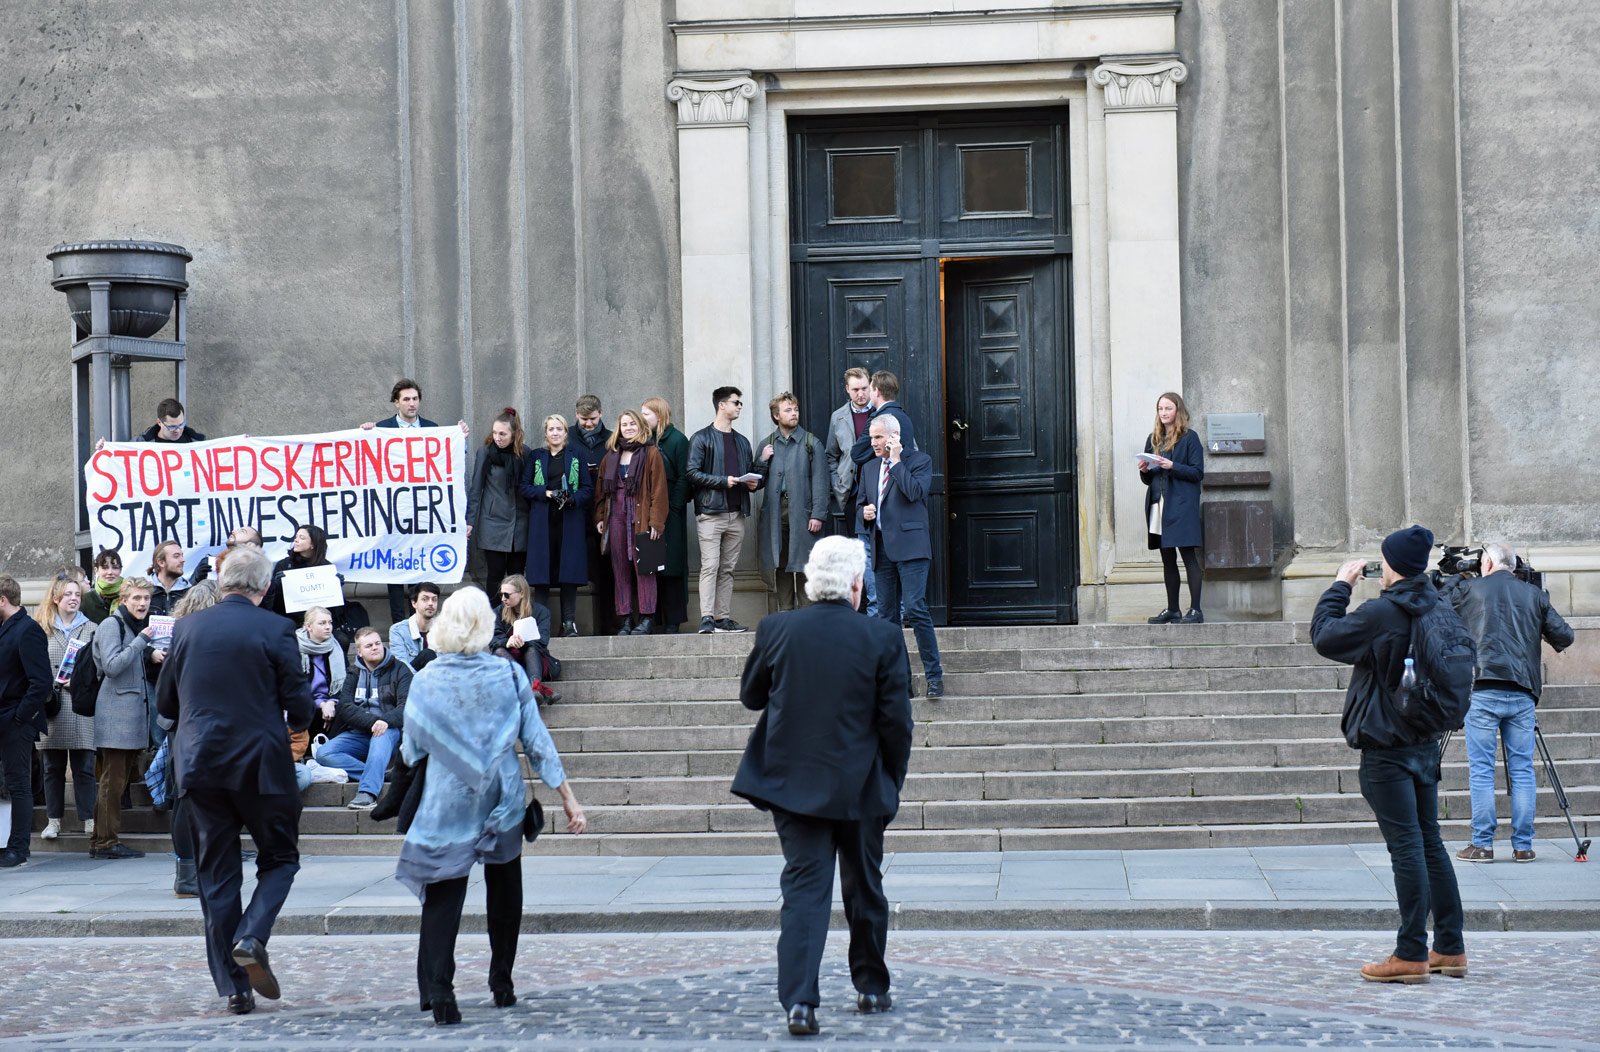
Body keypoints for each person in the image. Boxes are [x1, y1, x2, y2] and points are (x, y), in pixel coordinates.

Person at [732, 537, 913, 1036]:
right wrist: (890, 783)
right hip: (860, 785)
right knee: (865, 889)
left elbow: (751, 696)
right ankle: (872, 987)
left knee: (805, 892)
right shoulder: (882, 638)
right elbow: (897, 723)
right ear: (857, 585)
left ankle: (800, 1003)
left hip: (794, 785)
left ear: (812, 581)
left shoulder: (777, 628)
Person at [396, 587, 588, 1025]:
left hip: (447, 799)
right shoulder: (508, 675)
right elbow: (537, 742)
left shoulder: (426, 679)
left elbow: (410, 749)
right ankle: (502, 981)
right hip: (501, 796)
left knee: (444, 893)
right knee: (505, 888)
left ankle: (440, 991)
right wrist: (568, 798)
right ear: (485, 625)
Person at [154, 546, 314, 1015]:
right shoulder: (277, 628)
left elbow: (166, 704)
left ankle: (234, 987)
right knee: (281, 857)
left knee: (217, 876)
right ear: (264, 589)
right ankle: (252, 934)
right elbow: (300, 705)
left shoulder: (186, 628)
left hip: (200, 764)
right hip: (262, 765)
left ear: (223, 583)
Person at [1310, 524, 1466, 983]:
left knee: (1406, 847)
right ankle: (1451, 948)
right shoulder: (1440, 604)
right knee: (1430, 842)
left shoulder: (1383, 612)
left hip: (1386, 743)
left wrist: (1340, 584)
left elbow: (1325, 636)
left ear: (1391, 565)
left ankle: (1411, 953)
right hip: (1424, 740)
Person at [1445, 542, 1574, 864]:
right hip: (1522, 692)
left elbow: (1437, 606)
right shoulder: (1533, 595)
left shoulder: (1468, 589)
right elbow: (1565, 636)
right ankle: (1523, 846)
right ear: (1514, 567)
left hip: (1482, 689)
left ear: (1486, 563)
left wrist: (1455, 575)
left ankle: (1482, 845)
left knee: (1482, 771)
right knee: (1522, 770)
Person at [361, 379, 467, 622]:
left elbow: (447, 463)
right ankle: (400, 625)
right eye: (406, 399)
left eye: (415, 398)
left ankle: (421, 623)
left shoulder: (433, 428)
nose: (411, 403)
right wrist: (364, 434)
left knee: (421, 566)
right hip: (392, 510)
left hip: (423, 511)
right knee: (395, 569)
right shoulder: (382, 428)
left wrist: (459, 439)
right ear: (396, 402)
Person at [858, 415, 944, 699]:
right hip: (881, 549)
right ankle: (901, 682)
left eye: (879, 437)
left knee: (916, 609)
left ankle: (934, 677)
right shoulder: (868, 468)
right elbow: (861, 505)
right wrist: (865, 513)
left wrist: (896, 461)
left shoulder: (919, 461)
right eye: (872, 438)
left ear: (894, 436)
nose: (874, 443)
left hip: (911, 547)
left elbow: (915, 492)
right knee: (887, 619)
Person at [90, 575, 160, 860]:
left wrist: (150, 653)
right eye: (137, 598)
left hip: (128, 717)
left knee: (116, 781)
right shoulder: (112, 624)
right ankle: (106, 842)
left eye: (146, 599)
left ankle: (101, 840)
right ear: (123, 599)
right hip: (115, 716)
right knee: (112, 782)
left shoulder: (131, 626)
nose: (143, 604)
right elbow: (112, 666)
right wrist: (143, 642)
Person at [163, 580, 222, 897]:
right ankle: (190, 874)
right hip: (206, 728)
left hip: (184, 728)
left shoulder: (179, 638)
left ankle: (190, 871)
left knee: (186, 802)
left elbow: (165, 696)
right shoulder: (215, 641)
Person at [688, 386, 761, 634]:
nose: (740, 406)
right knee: (710, 566)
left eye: (740, 403)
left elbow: (748, 472)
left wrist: (752, 484)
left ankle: (722, 618)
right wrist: (723, 481)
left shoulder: (742, 441)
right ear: (722, 405)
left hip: (736, 513)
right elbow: (692, 473)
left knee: (728, 569)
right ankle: (707, 618)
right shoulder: (701, 438)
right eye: (736, 402)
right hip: (710, 513)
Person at [33, 577, 98, 846]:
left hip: (81, 705)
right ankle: (54, 820)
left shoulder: (92, 628)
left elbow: (98, 667)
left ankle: (89, 819)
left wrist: (79, 682)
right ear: (56, 599)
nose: (73, 598)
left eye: (77, 594)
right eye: (67, 594)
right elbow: (34, 666)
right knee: (52, 767)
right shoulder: (42, 629)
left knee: (84, 766)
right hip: (53, 705)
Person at [593, 409, 669, 635]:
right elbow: (600, 492)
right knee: (620, 569)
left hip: (642, 518)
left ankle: (646, 618)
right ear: (619, 428)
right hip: (615, 517)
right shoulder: (611, 456)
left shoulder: (651, 453)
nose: (628, 428)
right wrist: (599, 517)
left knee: (645, 569)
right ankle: (625, 619)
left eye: (632, 424)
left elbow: (659, 491)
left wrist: (656, 522)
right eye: (624, 424)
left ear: (641, 427)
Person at [322, 627, 412, 810]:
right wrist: (372, 722)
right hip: (362, 731)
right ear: (359, 651)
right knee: (324, 753)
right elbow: (345, 707)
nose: (375, 647)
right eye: (369, 645)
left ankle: (368, 793)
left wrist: (384, 721)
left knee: (381, 735)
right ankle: (378, 773)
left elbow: (407, 706)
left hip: (391, 731)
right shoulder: (353, 673)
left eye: (378, 643)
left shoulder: (400, 669)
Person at [754, 392, 829, 612]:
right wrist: (761, 461)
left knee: (805, 564)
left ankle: (807, 616)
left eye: (795, 409)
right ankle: (786, 614)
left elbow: (822, 482)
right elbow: (756, 483)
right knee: (781, 563)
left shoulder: (811, 442)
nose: (794, 413)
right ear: (776, 416)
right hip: (776, 514)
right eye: (788, 410)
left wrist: (818, 514)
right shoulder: (766, 444)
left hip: (803, 513)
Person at [520, 414, 592, 637]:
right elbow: (524, 486)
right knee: (541, 575)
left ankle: (568, 622)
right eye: (551, 429)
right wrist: (547, 492)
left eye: (559, 429)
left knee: (568, 573)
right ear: (545, 433)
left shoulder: (576, 455)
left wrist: (572, 498)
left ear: (565, 432)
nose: (555, 433)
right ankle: (542, 624)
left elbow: (587, 488)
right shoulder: (536, 457)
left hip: (569, 521)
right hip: (543, 522)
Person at [1139, 391, 1206, 624]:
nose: (1164, 413)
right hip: (1159, 504)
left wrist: (1172, 465)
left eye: (1168, 408)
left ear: (1178, 410)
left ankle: (1196, 610)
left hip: (1181, 506)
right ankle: (1173, 609)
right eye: (1160, 409)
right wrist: (1144, 471)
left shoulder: (1190, 438)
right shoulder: (1153, 439)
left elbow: (1198, 473)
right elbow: (1148, 480)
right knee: (1167, 558)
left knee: (1188, 556)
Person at [0, 575, 52, 868]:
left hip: (15, 722)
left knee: (19, 785)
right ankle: (4, 843)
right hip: (4, 718)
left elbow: (41, 682)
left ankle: (18, 847)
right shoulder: (6, 628)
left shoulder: (28, 630)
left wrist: (20, 718)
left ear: (2, 600)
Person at [825, 367, 878, 615]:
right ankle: (860, 606)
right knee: (856, 551)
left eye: (865, 388)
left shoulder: (881, 412)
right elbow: (831, 456)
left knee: (880, 549)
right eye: (855, 389)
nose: (861, 394)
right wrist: (838, 486)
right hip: (852, 493)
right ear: (847, 390)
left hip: (879, 490)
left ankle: (882, 607)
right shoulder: (838, 417)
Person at [467, 408, 529, 601]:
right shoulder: (485, 453)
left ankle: (517, 621)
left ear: (514, 434)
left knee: (517, 575)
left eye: (502, 434)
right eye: (494, 433)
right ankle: (494, 621)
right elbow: (476, 488)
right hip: (492, 521)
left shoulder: (525, 453)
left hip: (519, 523)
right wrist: (469, 521)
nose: (497, 438)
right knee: (495, 574)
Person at [641, 397, 691, 632]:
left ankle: (672, 620)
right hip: (649, 510)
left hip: (671, 511)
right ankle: (651, 618)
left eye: (646, 414)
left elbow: (684, 476)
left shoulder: (678, 440)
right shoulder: (643, 441)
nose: (642, 419)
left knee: (671, 566)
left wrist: (676, 508)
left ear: (659, 416)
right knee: (651, 565)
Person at [572, 395, 617, 636]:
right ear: (576, 415)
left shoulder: (611, 438)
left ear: (601, 413)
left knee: (607, 573)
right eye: (583, 419)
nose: (588, 424)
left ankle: (608, 624)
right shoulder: (567, 436)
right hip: (575, 513)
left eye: (592, 419)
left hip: (605, 514)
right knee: (577, 572)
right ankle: (576, 624)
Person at [490, 575, 559, 704]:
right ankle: (535, 689)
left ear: (521, 594)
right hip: (509, 661)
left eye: (507, 595)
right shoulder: (497, 612)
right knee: (499, 651)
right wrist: (507, 642)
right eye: (501, 595)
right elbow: (493, 641)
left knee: (532, 649)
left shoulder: (541, 612)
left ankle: (532, 687)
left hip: (535, 661)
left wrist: (522, 643)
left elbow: (542, 641)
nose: (503, 599)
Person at [296, 606, 346, 741]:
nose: (328, 627)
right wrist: (321, 704)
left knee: (346, 710)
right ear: (308, 626)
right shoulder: (292, 646)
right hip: (304, 701)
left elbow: (346, 682)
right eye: (322, 623)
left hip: (330, 701)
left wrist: (332, 702)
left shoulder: (337, 645)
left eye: (330, 622)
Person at [848, 370, 917, 468]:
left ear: (876, 391)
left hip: (884, 477)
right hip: (905, 475)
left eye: (870, 390)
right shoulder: (905, 416)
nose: (869, 394)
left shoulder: (878, 419)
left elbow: (857, 454)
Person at [389, 582, 441, 669]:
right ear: (414, 603)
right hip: (411, 679)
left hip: (438, 679)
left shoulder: (444, 629)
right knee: (427, 654)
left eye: (434, 599)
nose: (431, 603)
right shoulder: (398, 630)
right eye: (425, 599)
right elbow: (401, 667)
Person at [147, 540, 194, 616]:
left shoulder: (190, 593)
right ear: (161, 562)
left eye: (182, 555)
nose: (182, 560)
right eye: (176, 556)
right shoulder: (144, 590)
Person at [80, 548, 124, 624]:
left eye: (115, 567)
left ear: (120, 570)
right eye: (105, 568)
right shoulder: (86, 600)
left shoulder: (129, 596)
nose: (110, 572)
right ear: (96, 570)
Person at [139, 398, 206, 444]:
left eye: (181, 425)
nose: (177, 430)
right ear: (159, 422)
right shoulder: (141, 445)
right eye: (172, 427)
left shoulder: (198, 442)